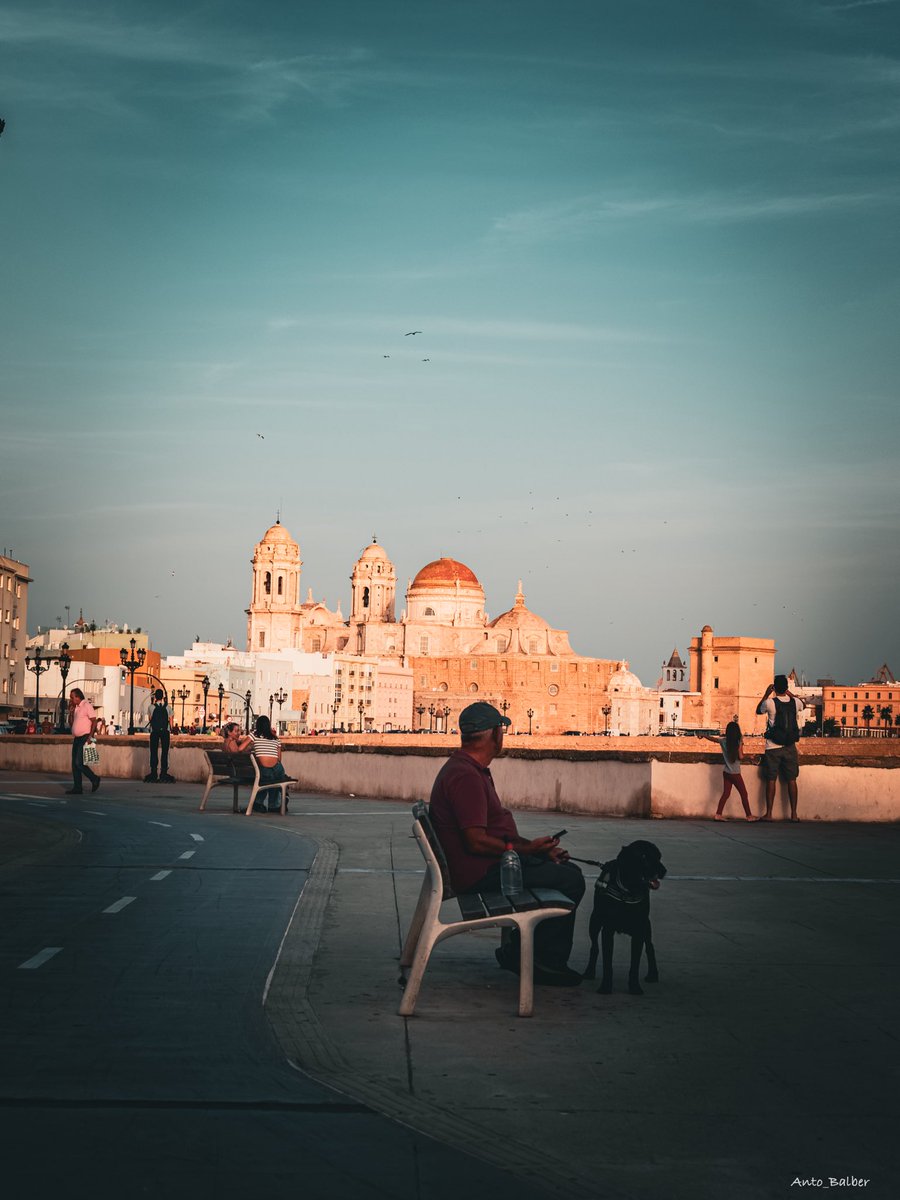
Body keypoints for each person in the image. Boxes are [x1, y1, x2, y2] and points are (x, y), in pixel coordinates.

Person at [429, 701, 585, 987]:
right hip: (481, 873)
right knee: (570, 880)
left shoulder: (467, 769)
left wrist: (537, 849)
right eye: (501, 730)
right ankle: (542, 961)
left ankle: (522, 950)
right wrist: (525, 850)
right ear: (494, 735)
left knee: (565, 869)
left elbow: (492, 835)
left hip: (490, 865)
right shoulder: (466, 776)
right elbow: (476, 842)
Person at [757, 674, 807, 822]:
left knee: (771, 779)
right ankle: (794, 814)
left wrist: (767, 693)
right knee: (792, 780)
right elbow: (803, 705)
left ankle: (769, 813)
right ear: (786, 687)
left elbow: (758, 710)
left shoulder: (770, 703)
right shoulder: (795, 702)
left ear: (774, 687)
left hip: (773, 746)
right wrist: (790, 694)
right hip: (790, 746)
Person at [696, 722, 758, 821]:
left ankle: (718, 814)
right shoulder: (738, 741)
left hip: (726, 772)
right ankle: (749, 816)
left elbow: (713, 739)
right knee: (744, 794)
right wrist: (749, 755)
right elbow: (741, 756)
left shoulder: (724, 741)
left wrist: (703, 735)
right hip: (735, 773)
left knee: (726, 794)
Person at [251, 715, 288, 813]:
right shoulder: (276, 739)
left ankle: (258, 803)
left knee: (268, 778)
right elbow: (279, 759)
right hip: (277, 768)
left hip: (263, 770)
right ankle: (274, 805)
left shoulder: (254, 735)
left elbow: (241, 748)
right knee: (276, 779)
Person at [67, 687, 100, 794]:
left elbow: (94, 721)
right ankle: (77, 787)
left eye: (72, 697)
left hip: (85, 737)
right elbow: (72, 723)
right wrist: (71, 712)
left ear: (78, 696)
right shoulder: (76, 708)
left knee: (79, 762)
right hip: (77, 738)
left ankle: (94, 778)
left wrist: (91, 737)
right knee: (74, 764)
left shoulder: (87, 705)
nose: (71, 699)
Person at [145, 690, 175, 783]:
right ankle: (163, 772)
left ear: (155, 697)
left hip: (154, 731)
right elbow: (170, 720)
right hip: (165, 731)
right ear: (162, 697)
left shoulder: (151, 707)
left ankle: (153, 772)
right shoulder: (168, 707)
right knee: (165, 752)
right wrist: (171, 728)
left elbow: (150, 719)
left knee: (153, 751)